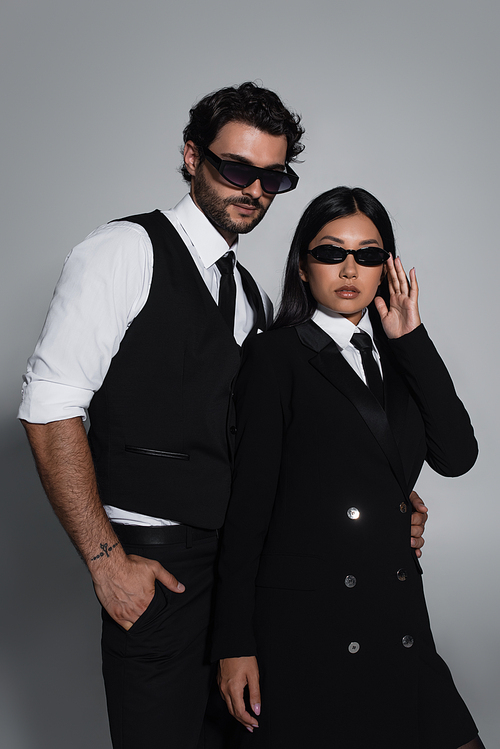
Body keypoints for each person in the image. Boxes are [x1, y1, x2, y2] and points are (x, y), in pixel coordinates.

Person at [18, 82, 428, 749]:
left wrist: (382, 499)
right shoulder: (124, 250)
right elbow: (48, 406)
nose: (253, 189)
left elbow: (281, 446)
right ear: (190, 157)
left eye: (272, 176)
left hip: (246, 573)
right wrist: (105, 560)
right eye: (236, 168)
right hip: (155, 568)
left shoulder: (251, 298)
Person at [213, 186, 484, 749]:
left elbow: (457, 457)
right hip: (310, 621)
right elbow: (247, 512)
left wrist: (412, 338)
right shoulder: (275, 356)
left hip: (396, 612)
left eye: (368, 254)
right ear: (303, 264)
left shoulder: (400, 356)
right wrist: (234, 643)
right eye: (331, 252)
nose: (350, 268)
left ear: (386, 266)